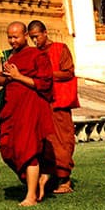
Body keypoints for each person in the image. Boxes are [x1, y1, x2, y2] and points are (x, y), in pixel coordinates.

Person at [0, 21, 57, 206]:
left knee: (28, 149)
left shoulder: (37, 56)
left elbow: (45, 84)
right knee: (7, 148)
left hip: (30, 108)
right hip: (11, 108)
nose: (12, 40)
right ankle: (39, 179)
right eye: (9, 37)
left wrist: (19, 76)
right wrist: (8, 76)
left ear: (26, 36)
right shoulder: (7, 56)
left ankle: (30, 196)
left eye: (16, 37)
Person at [29, 19, 78, 195]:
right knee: (44, 141)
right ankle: (47, 176)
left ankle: (65, 179)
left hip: (59, 102)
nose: (35, 41)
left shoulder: (60, 48)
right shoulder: (33, 53)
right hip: (42, 103)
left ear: (44, 33)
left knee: (63, 141)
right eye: (32, 38)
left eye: (37, 37)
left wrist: (47, 75)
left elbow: (69, 72)